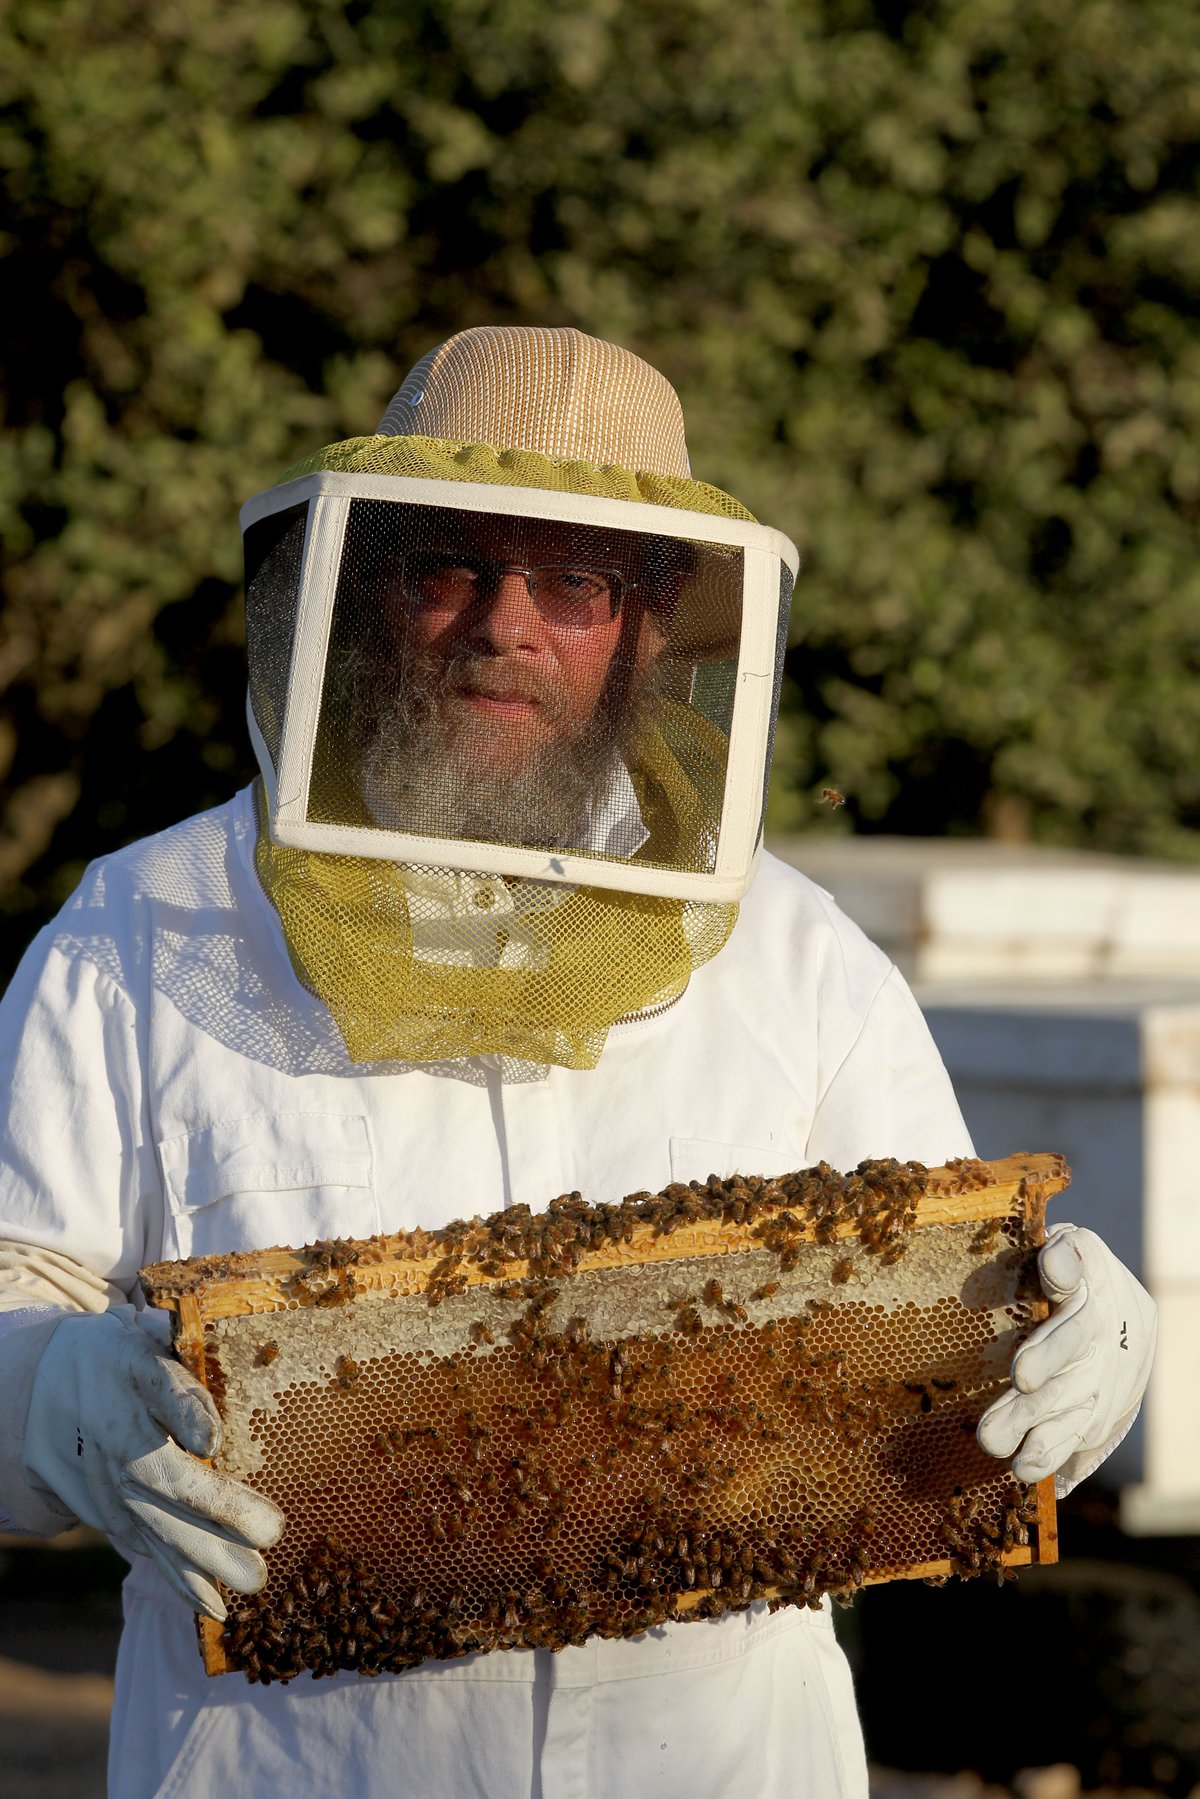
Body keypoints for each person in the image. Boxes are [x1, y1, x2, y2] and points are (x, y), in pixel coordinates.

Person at [0, 326, 1156, 1798]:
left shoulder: (801, 964)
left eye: (574, 581)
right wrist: (44, 1391)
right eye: (449, 568)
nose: (506, 624)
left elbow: (955, 1327)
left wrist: (1089, 1340)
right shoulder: (143, 930)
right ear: (364, 591)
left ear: (654, 628)